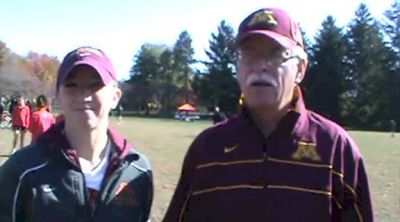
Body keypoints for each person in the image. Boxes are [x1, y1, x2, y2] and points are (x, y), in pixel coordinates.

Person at [163, 8, 373, 222]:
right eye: (248, 55)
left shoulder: (335, 148)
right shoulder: (206, 150)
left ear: (300, 69)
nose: (260, 66)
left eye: (275, 54)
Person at [0, 46, 153, 222]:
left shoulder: (138, 170)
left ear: (115, 96)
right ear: (58, 95)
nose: (83, 95)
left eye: (96, 84)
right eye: (71, 85)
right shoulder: (23, 169)